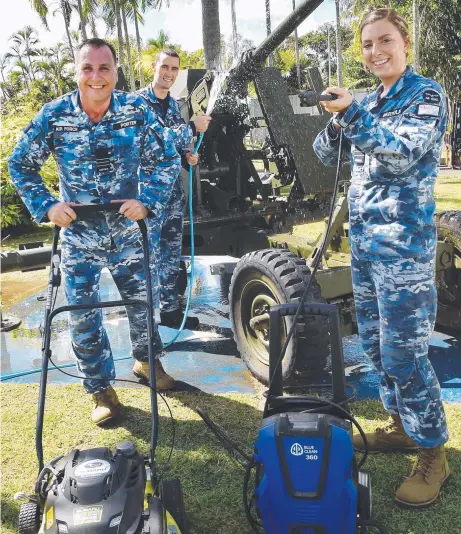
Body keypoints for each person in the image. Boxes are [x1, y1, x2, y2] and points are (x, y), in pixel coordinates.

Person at [313, 9, 449, 508]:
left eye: (385, 41)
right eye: (368, 45)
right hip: (367, 249)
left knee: (405, 355)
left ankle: (433, 451)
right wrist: (337, 117)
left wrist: (352, 114)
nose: (376, 52)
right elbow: (325, 155)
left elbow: (401, 152)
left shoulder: (427, 95)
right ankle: (401, 425)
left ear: (405, 43)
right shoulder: (369, 99)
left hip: (405, 252)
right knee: (373, 345)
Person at [8, 38, 181, 425]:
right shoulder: (53, 116)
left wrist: (147, 200)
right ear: (77, 72)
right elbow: (20, 164)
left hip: (128, 233)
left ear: (116, 72)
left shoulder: (136, 111)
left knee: (144, 305)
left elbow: (167, 157)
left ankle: (146, 363)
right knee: (83, 316)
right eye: (88, 68)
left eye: (104, 68)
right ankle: (101, 390)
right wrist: (47, 205)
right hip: (78, 237)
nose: (96, 77)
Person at [138, 49, 212, 334]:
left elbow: (173, 145)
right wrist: (191, 128)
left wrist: (187, 156)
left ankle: (169, 311)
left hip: (172, 196)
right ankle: (145, 319)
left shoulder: (173, 106)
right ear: (154, 67)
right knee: (148, 258)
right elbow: (150, 142)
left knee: (170, 256)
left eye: (174, 69)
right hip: (148, 198)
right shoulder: (138, 104)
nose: (169, 73)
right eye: (164, 67)